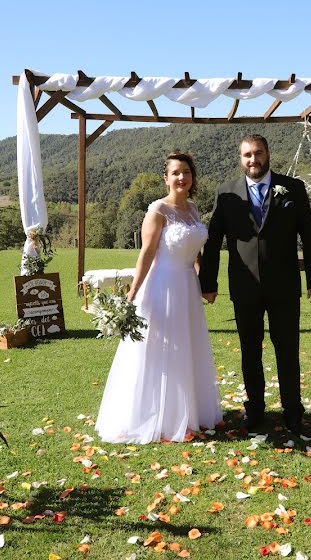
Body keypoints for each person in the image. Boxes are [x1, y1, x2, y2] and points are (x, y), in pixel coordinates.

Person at [199, 134, 311, 435]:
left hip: (284, 286)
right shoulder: (226, 193)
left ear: (268, 154)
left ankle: (293, 412)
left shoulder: (293, 188)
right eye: (247, 155)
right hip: (244, 288)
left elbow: (308, 235)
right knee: (249, 352)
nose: (252, 160)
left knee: (288, 352)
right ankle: (254, 411)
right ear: (240, 159)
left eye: (257, 153)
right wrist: (208, 282)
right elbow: (214, 240)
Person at [95, 152, 223, 444]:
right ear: (166, 178)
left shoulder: (192, 209)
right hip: (162, 286)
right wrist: (133, 292)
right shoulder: (157, 210)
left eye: (187, 172)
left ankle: (186, 412)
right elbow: (147, 254)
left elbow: (195, 252)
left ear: (192, 177)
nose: (182, 177)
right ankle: (154, 416)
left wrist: (205, 282)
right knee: (160, 351)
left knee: (187, 348)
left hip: (188, 288)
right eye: (176, 173)